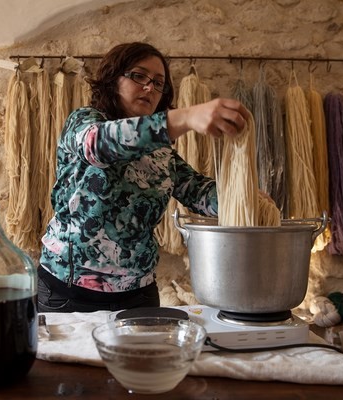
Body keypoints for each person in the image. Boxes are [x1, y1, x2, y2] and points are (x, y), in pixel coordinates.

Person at [37, 42, 249, 313]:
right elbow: (96, 146)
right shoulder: (85, 121)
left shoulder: (161, 151)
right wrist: (185, 117)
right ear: (113, 80)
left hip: (139, 293)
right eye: (139, 76)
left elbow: (196, 190)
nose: (150, 88)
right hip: (68, 290)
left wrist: (245, 197)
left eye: (158, 83)